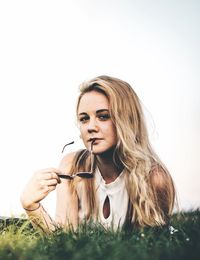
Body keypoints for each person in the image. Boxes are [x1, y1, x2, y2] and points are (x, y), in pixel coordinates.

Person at [20, 75, 176, 233]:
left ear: (127, 120)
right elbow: (62, 241)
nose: (90, 127)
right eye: (84, 119)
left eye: (103, 116)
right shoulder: (72, 166)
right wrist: (32, 207)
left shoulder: (153, 179)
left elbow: (149, 250)